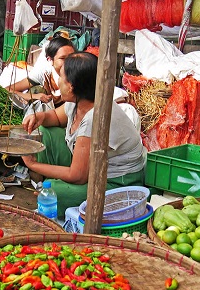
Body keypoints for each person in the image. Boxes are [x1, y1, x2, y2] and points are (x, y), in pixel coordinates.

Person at [21, 52, 147, 220]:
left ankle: (57, 188)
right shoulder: (80, 101)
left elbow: (78, 176)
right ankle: (54, 184)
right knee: (46, 133)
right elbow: (57, 117)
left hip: (118, 182)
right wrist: (41, 116)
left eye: (61, 77)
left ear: (71, 86)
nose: (58, 81)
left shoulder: (95, 117)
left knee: (56, 193)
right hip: (92, 167)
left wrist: (32, 164)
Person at [6, 31, 76, 107]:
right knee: (37, 90)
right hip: (51, 113)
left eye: (72, 57)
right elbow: (8, 89)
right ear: (50, 60)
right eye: (62, 58)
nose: (69, 62)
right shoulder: (44, 74)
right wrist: (34, 96)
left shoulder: (79, 74)